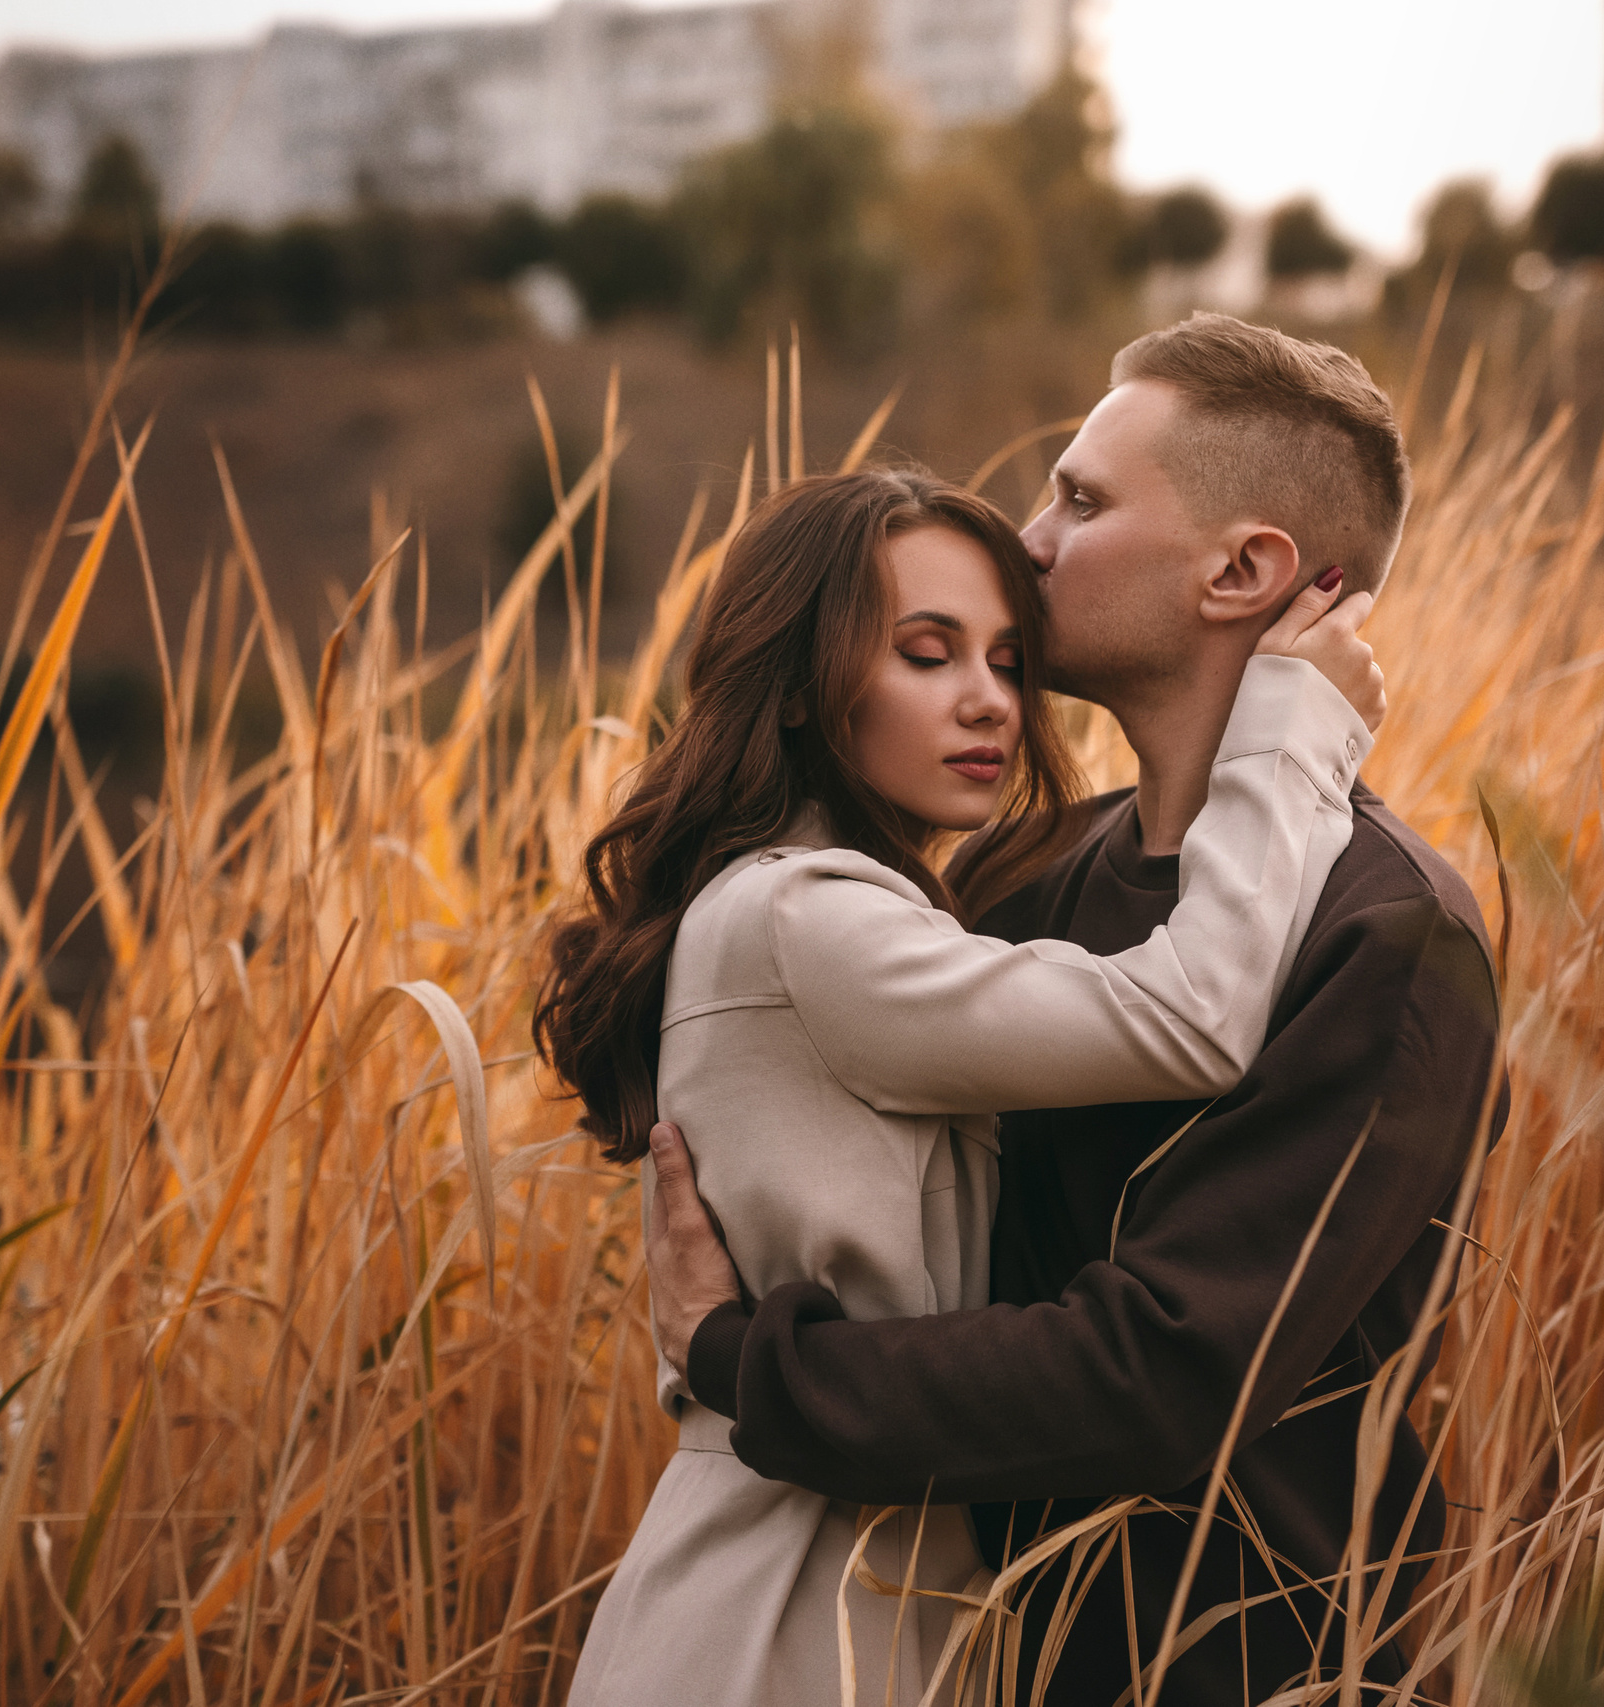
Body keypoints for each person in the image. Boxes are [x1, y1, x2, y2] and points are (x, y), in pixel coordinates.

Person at [642, 314, 1508, 1704]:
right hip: (948, 1650)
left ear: (1243, 572)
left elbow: (1162, 1370)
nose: (1028, 540)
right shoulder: (1018, 874)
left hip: (1234, 1673)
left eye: (1083, 501)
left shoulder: (1391, 936)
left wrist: (752, 1365)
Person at [537, 460, 1387, 1706]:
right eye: (926, 655)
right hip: (780, 1605)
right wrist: (1294, 731)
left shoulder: (858, 912)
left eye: (1005, 660)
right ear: (795, 687)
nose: (988, 701)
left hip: (872, 1577)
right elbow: (1190, 1016)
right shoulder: (803, 917)